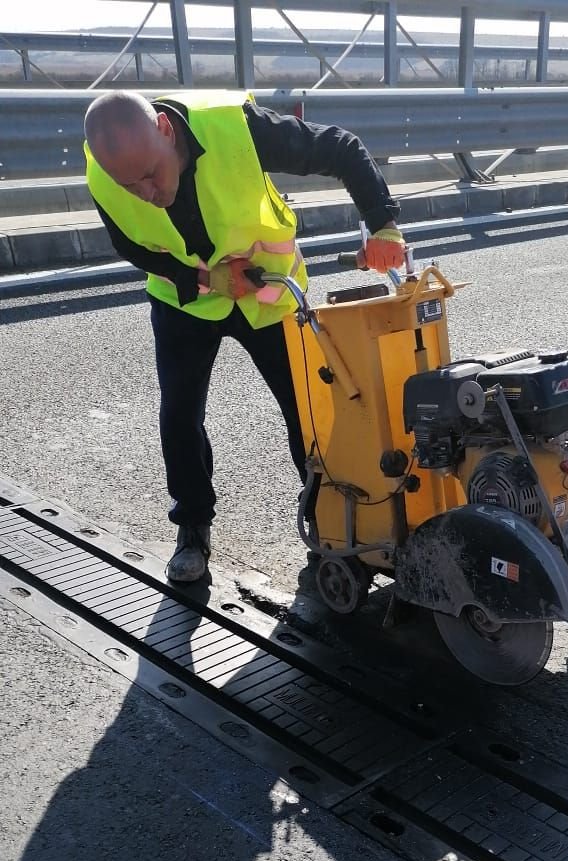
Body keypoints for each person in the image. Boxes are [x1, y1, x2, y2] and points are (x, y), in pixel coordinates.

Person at [84, 88, 405, 583]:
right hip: (186, 299)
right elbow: (132, 245)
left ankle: (330, 529)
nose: (146, 192)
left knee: (308, 411)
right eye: (132, 185)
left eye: (151, 174)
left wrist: (382, 226)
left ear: (166, 132)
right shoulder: (105, 170)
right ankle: (192, 526)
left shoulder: (238, 129)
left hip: (268, 293)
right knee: (179, 413)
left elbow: (341, 147)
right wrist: (206, 279)